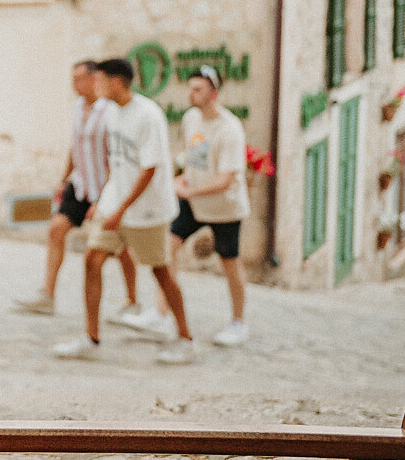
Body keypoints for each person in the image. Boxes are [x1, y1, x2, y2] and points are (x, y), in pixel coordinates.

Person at [54, 58, 195, 365]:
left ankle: (185, 338)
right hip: (114, 204)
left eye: (101, 80)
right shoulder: (113, 114)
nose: (96, 85)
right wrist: (102, 202)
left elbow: (149, 169)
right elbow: (113, 162)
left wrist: (122, 209)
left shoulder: (148, 115)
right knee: (93, 260)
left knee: (161, 272)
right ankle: (90, 338)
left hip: (148, 211)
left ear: (117, 82)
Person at [16, 59, 140, 321]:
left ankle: (133, 300)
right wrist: (63, 180)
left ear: (94, 79)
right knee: (56, 230)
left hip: (104, 188)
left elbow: (114, 156)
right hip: (81, 184)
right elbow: (75, 147)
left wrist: (106, 196)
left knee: (120, 247)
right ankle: (47, 295)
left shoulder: (109, 112)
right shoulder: (77, 108)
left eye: (78, 78)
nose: (74, 84)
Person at [169, 65, 251, 346]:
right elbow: (194, 159)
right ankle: (161, 312)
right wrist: (181, 180)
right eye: (190, 88)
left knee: (230, 264)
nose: (191, 94)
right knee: (167, 247)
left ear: (213, 93)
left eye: (198, 89)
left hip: (224, 208)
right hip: (194, 201)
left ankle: (238, 322)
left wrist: (189, 190)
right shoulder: (191, 119)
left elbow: (226, 179)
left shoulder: (230, 129)